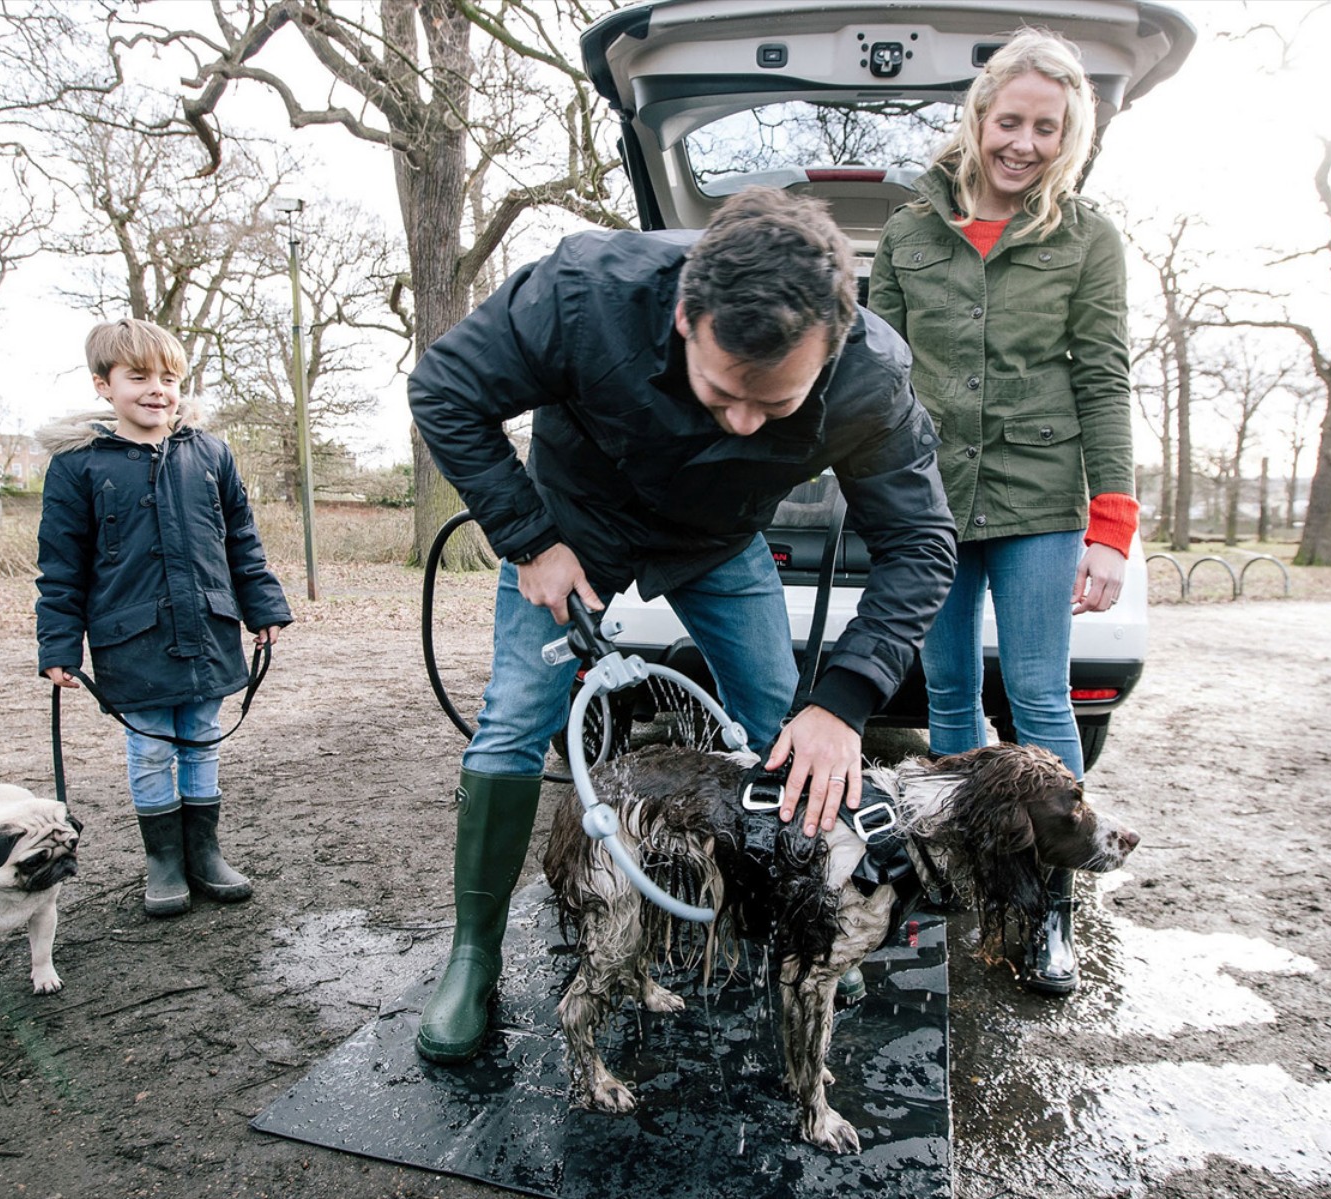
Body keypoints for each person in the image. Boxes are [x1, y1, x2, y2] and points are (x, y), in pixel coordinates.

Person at [407, 187, 958, 1063]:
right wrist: (530, 539)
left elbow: (922, 542)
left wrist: (844, 702)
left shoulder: (870, 375)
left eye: (774, 406)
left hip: (719, 539)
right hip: (572, 522)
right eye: (723, 390)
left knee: (782, 724)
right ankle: (472, 953)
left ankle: (800, 922)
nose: (742, 419)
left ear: (831, 347)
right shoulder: (583, 292)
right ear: (682, 314)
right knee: (513, 721)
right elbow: (443, 390)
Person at [868, 30, 1137, 997]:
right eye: (1009, 120)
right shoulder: (906, 234)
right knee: (946, 700)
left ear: (1069, 138)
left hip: (1037, 498)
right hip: (930, 501)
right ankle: (950, 879)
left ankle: (1049, 909)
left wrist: (1110, 530)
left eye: (1046, 128)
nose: (1023, 143)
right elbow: (874, 379)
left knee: (1037, 695)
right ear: (979, 117)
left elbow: (1104, 378)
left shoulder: (1087, 237)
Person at [35, 318, 292, 919]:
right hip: (133, 637)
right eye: (139, 377)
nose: (157, 389)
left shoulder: (209, 453)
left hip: (207, 627)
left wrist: (263, 605)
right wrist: (58, 645)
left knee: (201, 741)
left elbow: (242, 542)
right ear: (104, 385)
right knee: (150, 748)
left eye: (169, 378)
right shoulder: (78, 467)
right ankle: (164, 861)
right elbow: (61, 566)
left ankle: (205, 854)